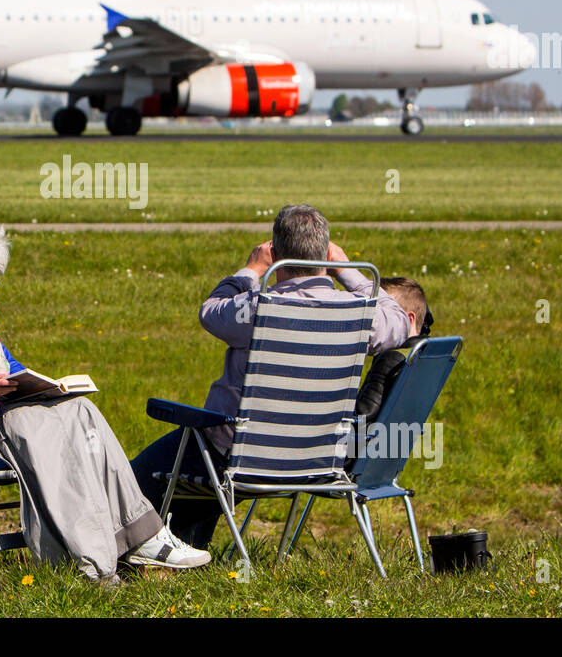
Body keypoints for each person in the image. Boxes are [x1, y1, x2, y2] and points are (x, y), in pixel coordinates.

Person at [0, 215, 210, 582]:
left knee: (79, 409)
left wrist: (40, 385)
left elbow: (5, 365)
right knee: (30, 422)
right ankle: (90, 564)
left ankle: (142, 534)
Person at [131, 204, 411, 549]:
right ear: (327, 254)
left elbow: (211, 310)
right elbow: (399, 320)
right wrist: (348, 271)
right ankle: (180, 551)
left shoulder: (257, 307)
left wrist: (251, 269)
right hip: (317, 455)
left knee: (133, 481)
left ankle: (146, 554)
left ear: (275, 254)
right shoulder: (358, 314)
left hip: (238, 455)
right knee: (192, 471)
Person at [354, 277, 432, 424]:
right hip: (396, 440)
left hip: (363, 443)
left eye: (386, 316)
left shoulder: (391, 359)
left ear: (408, 320)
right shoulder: (423, 355)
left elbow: (364, 413)